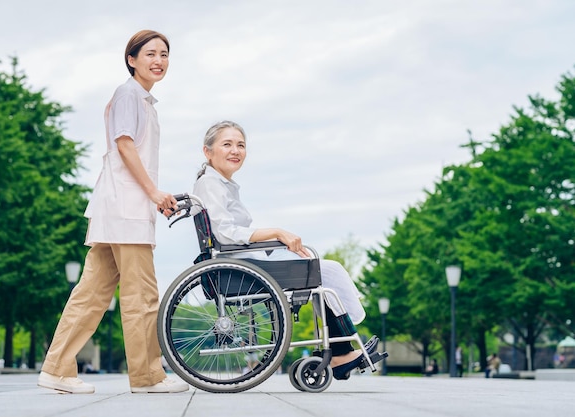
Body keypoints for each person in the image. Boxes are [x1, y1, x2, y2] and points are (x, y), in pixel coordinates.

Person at [37, 30, 188, 394]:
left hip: (117, 208)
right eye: (150, 53)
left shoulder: (142, 100)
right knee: (142, 295)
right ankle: (148, 377)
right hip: (127, 210)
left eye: (164, 54)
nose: (159, 60)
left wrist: (152, 193)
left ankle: (56, 369)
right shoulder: (128, 94)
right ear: (131, 59)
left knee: (91, 293)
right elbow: (124, 145)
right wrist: (153, 191)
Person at [192, 120, 379, 380]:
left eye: (241, 145)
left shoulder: (218, 183)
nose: (235, 150)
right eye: (227, 144)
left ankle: (341, 351)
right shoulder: (210, 184)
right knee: (320, 270)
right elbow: (227, 234)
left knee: (318, 267)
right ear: (208, 152)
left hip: (243, 261)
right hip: (240, 265)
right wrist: (277, 232)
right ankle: (341, 352)